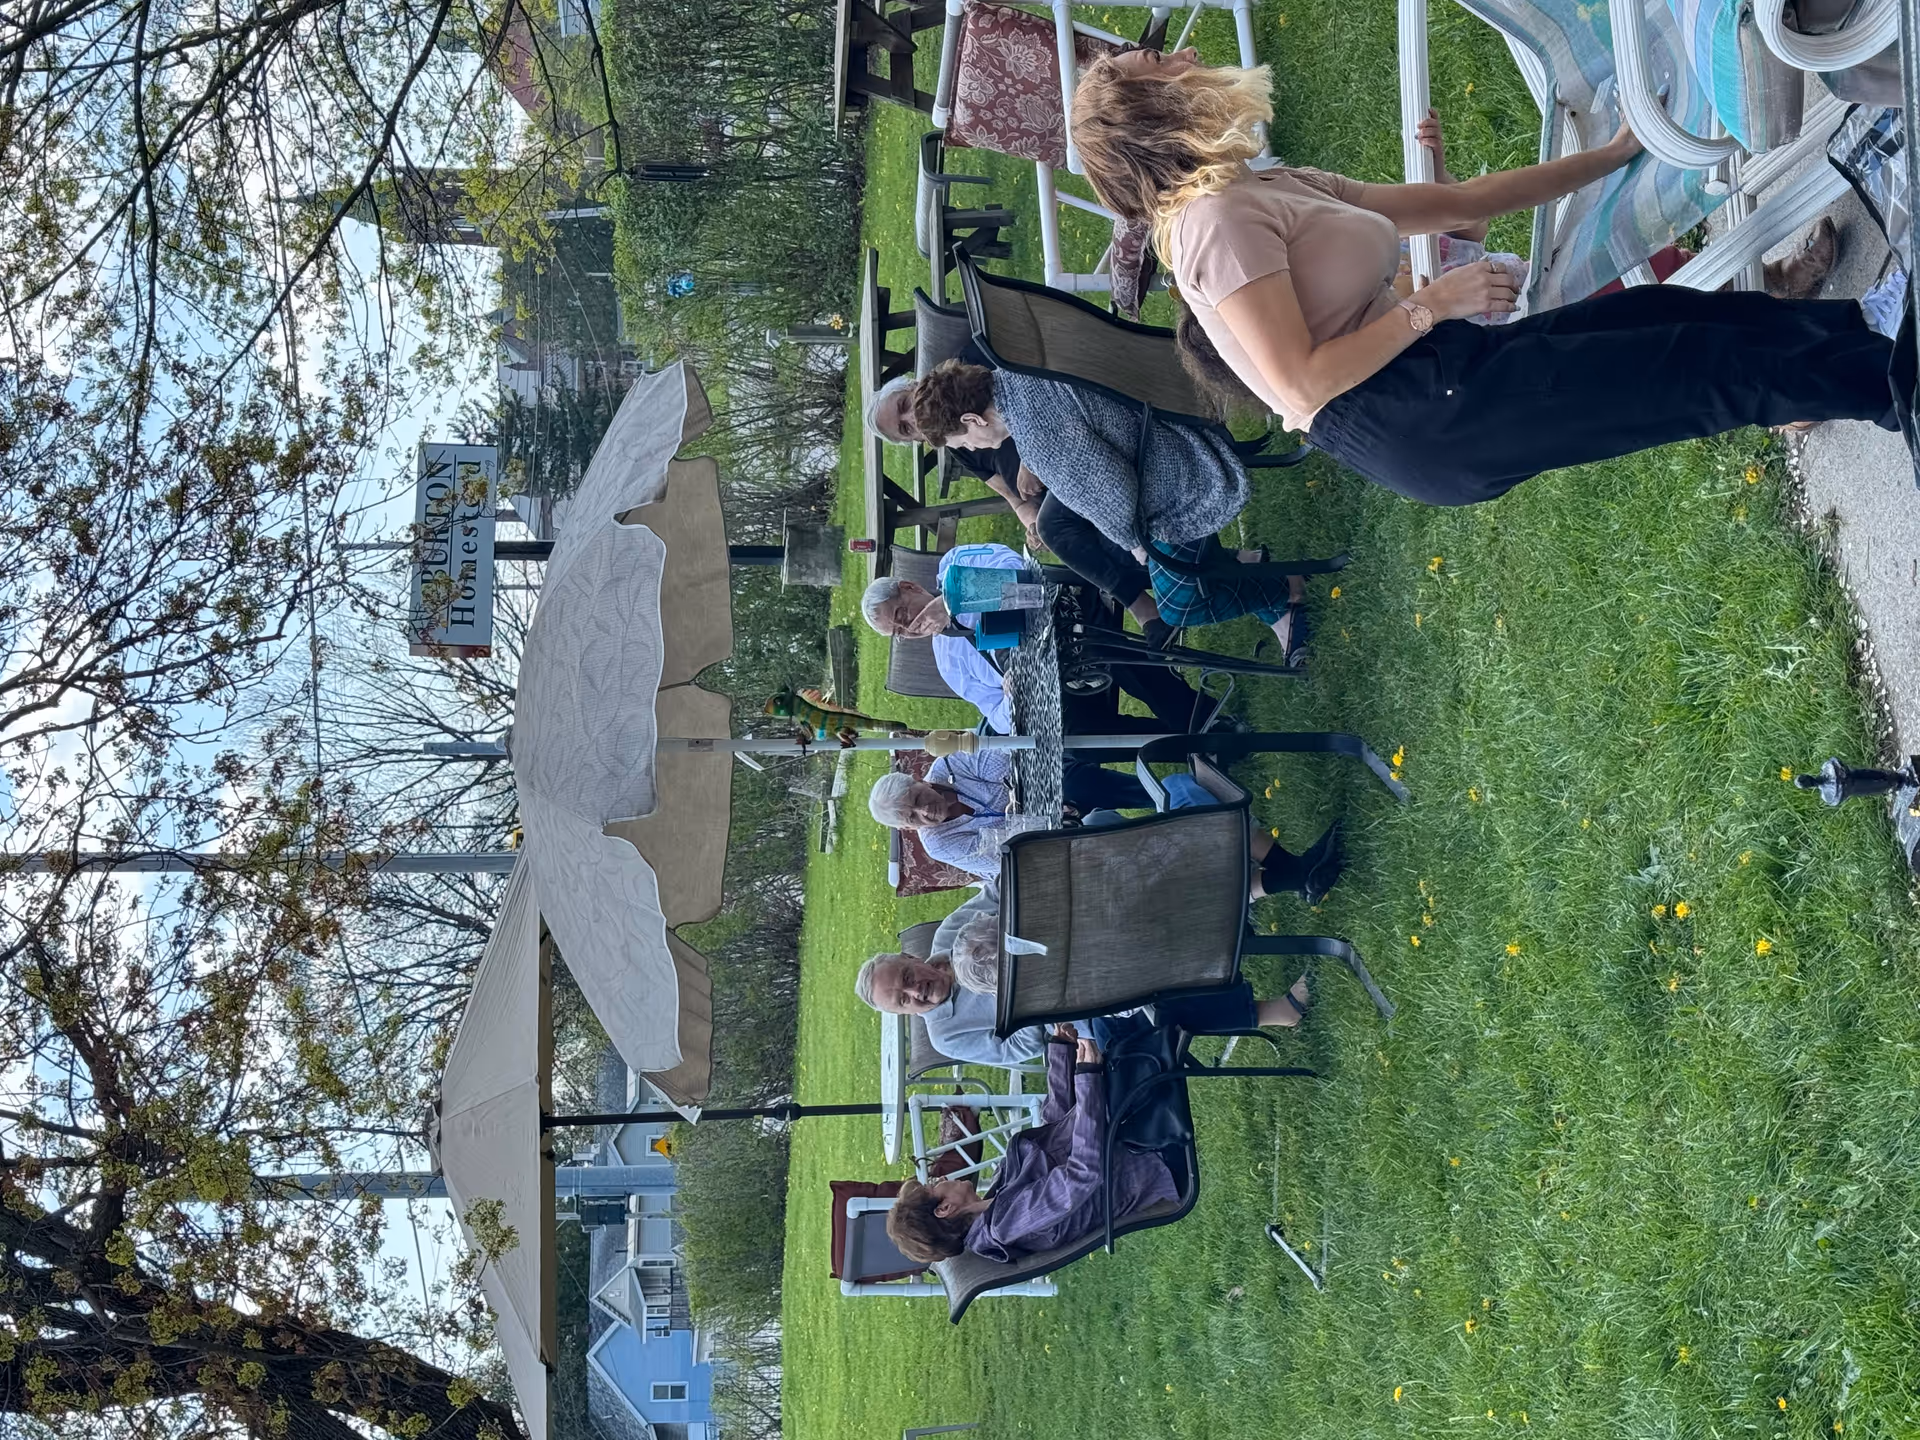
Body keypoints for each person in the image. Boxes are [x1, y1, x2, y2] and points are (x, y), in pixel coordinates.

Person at [1067, 50, 1896, 504]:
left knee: (1678, 318)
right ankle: (1896, 381)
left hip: (1431, 383)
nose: (1183, 56)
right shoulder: (1211, 227)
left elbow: (1457, 201)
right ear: (1153, 116)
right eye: (1158, 66)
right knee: (1700, 374)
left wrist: (1608, 157)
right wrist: (1427, 308)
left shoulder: (1257, 189)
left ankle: (1874, 328)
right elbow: (1300, 388)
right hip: (1415, 417)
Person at [910, 360, 1313, 657]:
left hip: (1180, 478)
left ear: (971, 419)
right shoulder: (1014, 371)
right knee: (1058, 523)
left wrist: (1137, 547)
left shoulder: (1036, 439)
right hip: (1162, 427)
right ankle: (1240, 573)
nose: (972, 449)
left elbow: (1115, 493)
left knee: (1177, 607)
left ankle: (1279, 591)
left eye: (962, 442)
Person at [867, 364, 1180, 648]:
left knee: (1066, 531)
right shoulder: (960, 444)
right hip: (1059, 488)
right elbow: (1013, 498)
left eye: (905, 407)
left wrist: (1032, 459)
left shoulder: (967, 387)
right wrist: (1030, 521)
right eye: (906, 429)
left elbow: (1038, 407)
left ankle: (1170, 589)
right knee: (1065, 537)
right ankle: (1181, 583)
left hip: (1077, 464)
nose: (913, 421)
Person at [884, 1024, 1177, 1265]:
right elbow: (1082, 1174)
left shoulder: (996, 1200)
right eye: (934, 1185)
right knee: (1120, 1024)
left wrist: (1061, 1054)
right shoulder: (1008, 1223)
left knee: (1109, 1025)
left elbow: (1054, 1129)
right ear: (944, 1208)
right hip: (1146, 1148)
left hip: (1120, 1126)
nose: (942, 1178)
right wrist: (1088, 1080)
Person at [860, 538, 1216, 735]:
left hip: (1066, 620)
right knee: (1073, 736)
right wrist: (1011, 695)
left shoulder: (955, 566)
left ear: (909, 587)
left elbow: (1021, 573)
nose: (911, 628)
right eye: (901, 633)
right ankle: (1174, 742)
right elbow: (995, 715)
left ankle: (1204, 721)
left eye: (902, 616)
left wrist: (953, 600)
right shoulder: (947, 660)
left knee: (1104, 653)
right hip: (1046, 683)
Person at [864, 745, 1159, 879]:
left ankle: (1163, 798)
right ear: (907, 830)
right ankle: (1156, 845)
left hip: (1049, 787)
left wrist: (1045, 807)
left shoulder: (951, 765)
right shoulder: (938, 843)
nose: (925, 810)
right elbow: (1001, 853)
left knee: (1076, 782)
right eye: (913, 817)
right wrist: (1047, 819)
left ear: (918, 779)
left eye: (917, 797)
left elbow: (1014, 768)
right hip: (1036, 845)